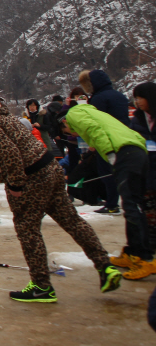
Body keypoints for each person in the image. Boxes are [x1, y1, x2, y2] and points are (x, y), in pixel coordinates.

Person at [0, 83, 122, 303]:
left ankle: (41, 286)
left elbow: (9, 153)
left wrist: (15, 185)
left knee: (27, 229)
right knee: (71, 220)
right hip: (49, 167)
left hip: (31, 175)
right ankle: (105, 265)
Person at [60, 101, 153, 280]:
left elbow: (94, 130)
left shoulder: (74, 115)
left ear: (65, 123)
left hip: (124, 154)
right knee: (133, 206)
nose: (75, 135)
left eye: (70, 132)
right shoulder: (94, 113)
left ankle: (145, 258)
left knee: (132, 207)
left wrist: (110, 154)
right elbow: (133, 134)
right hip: (136, 151)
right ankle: (132, 252)